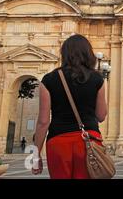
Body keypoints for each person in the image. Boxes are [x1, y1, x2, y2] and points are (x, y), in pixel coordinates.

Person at [32, 34, 108, 179]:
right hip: (89, 141)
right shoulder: (97, 78)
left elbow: (43, 122)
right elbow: (101, 116)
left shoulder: (49, 80)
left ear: (64, 54)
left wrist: (36, 155)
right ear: (88, 53)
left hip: (59, 142)